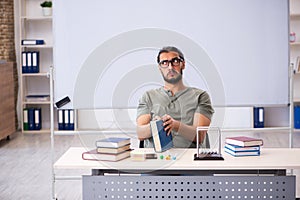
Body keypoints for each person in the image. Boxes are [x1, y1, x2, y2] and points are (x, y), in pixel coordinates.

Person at [136, 46, 214, 148]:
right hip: (157, 160)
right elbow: (140, 134)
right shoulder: (148, 97)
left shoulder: (200, 96)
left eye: (175, 61)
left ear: (183, 64)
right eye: (164, 63)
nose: (170, 67)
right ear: (159, 68)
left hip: (189, 160)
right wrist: (156, 125)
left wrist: (175, 125)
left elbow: (199, 135)